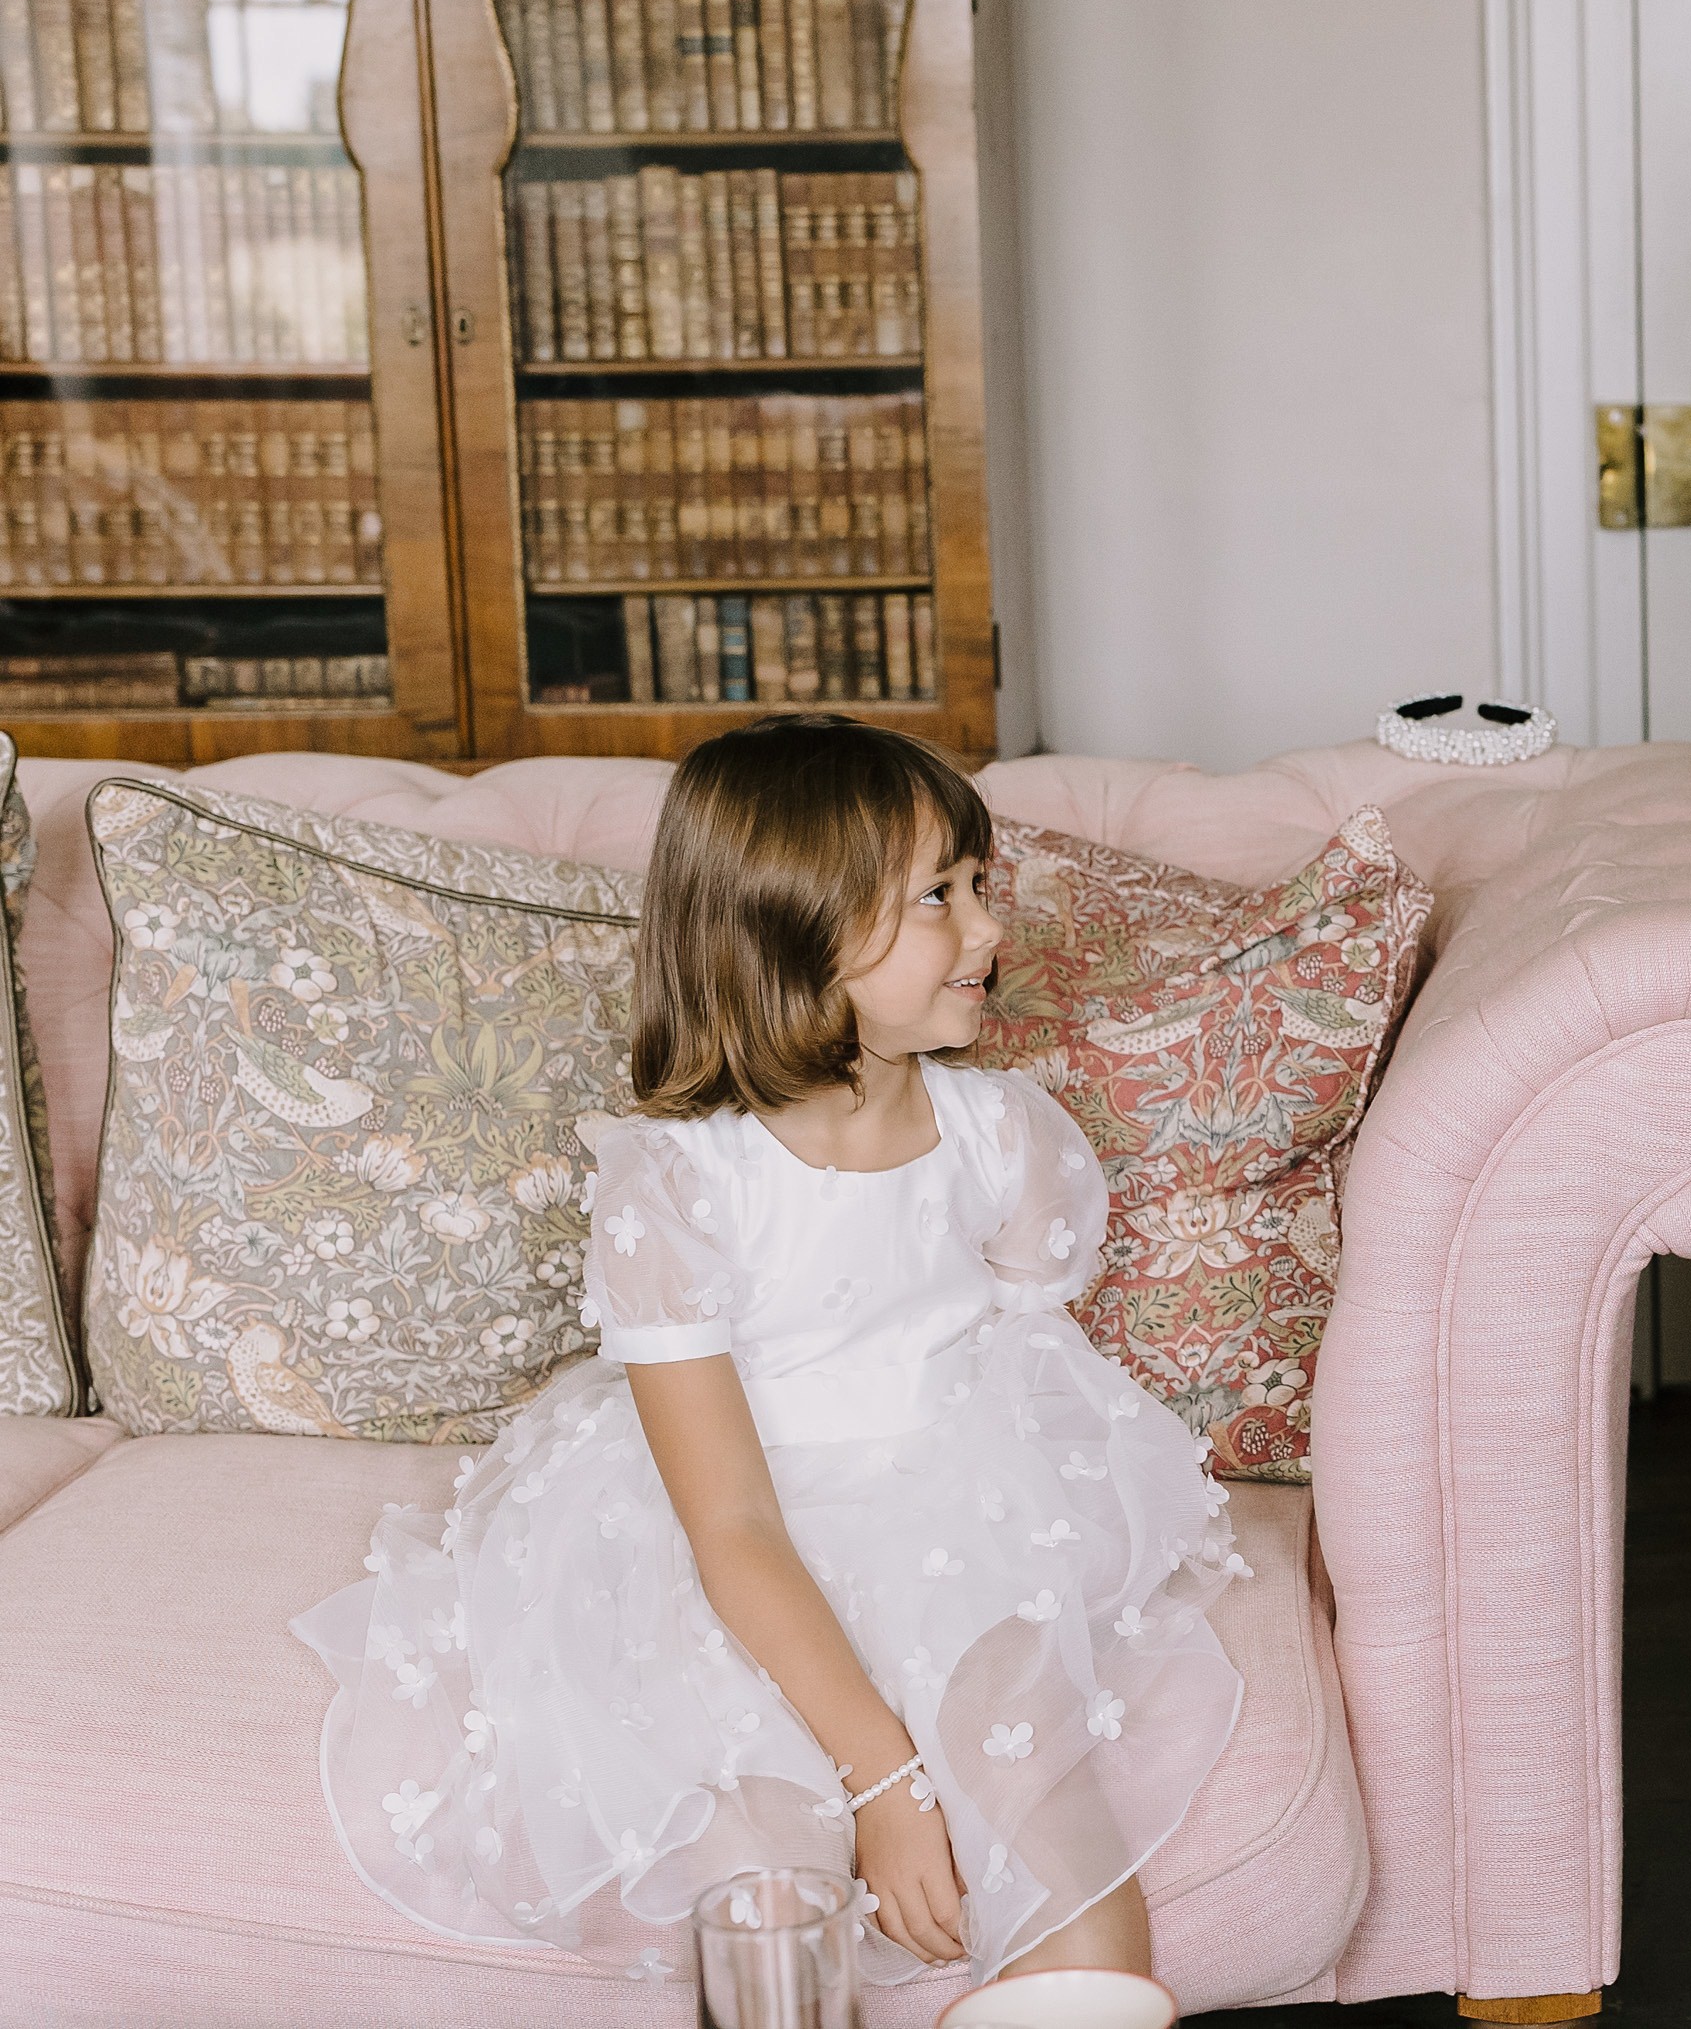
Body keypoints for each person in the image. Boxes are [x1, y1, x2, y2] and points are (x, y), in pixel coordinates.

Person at [296, 715, 1244, 1987]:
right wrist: (886, 1777)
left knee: (1035, 1782)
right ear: (795, 930)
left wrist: (963, 1691)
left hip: (958, 1501)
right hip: (724, 1539)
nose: (989, 931)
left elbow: (1031, 1376)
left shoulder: (1007, 1138)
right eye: (937, 900)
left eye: (980, 886)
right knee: (765, 1865)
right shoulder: (679, 1187)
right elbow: (730, 1520)